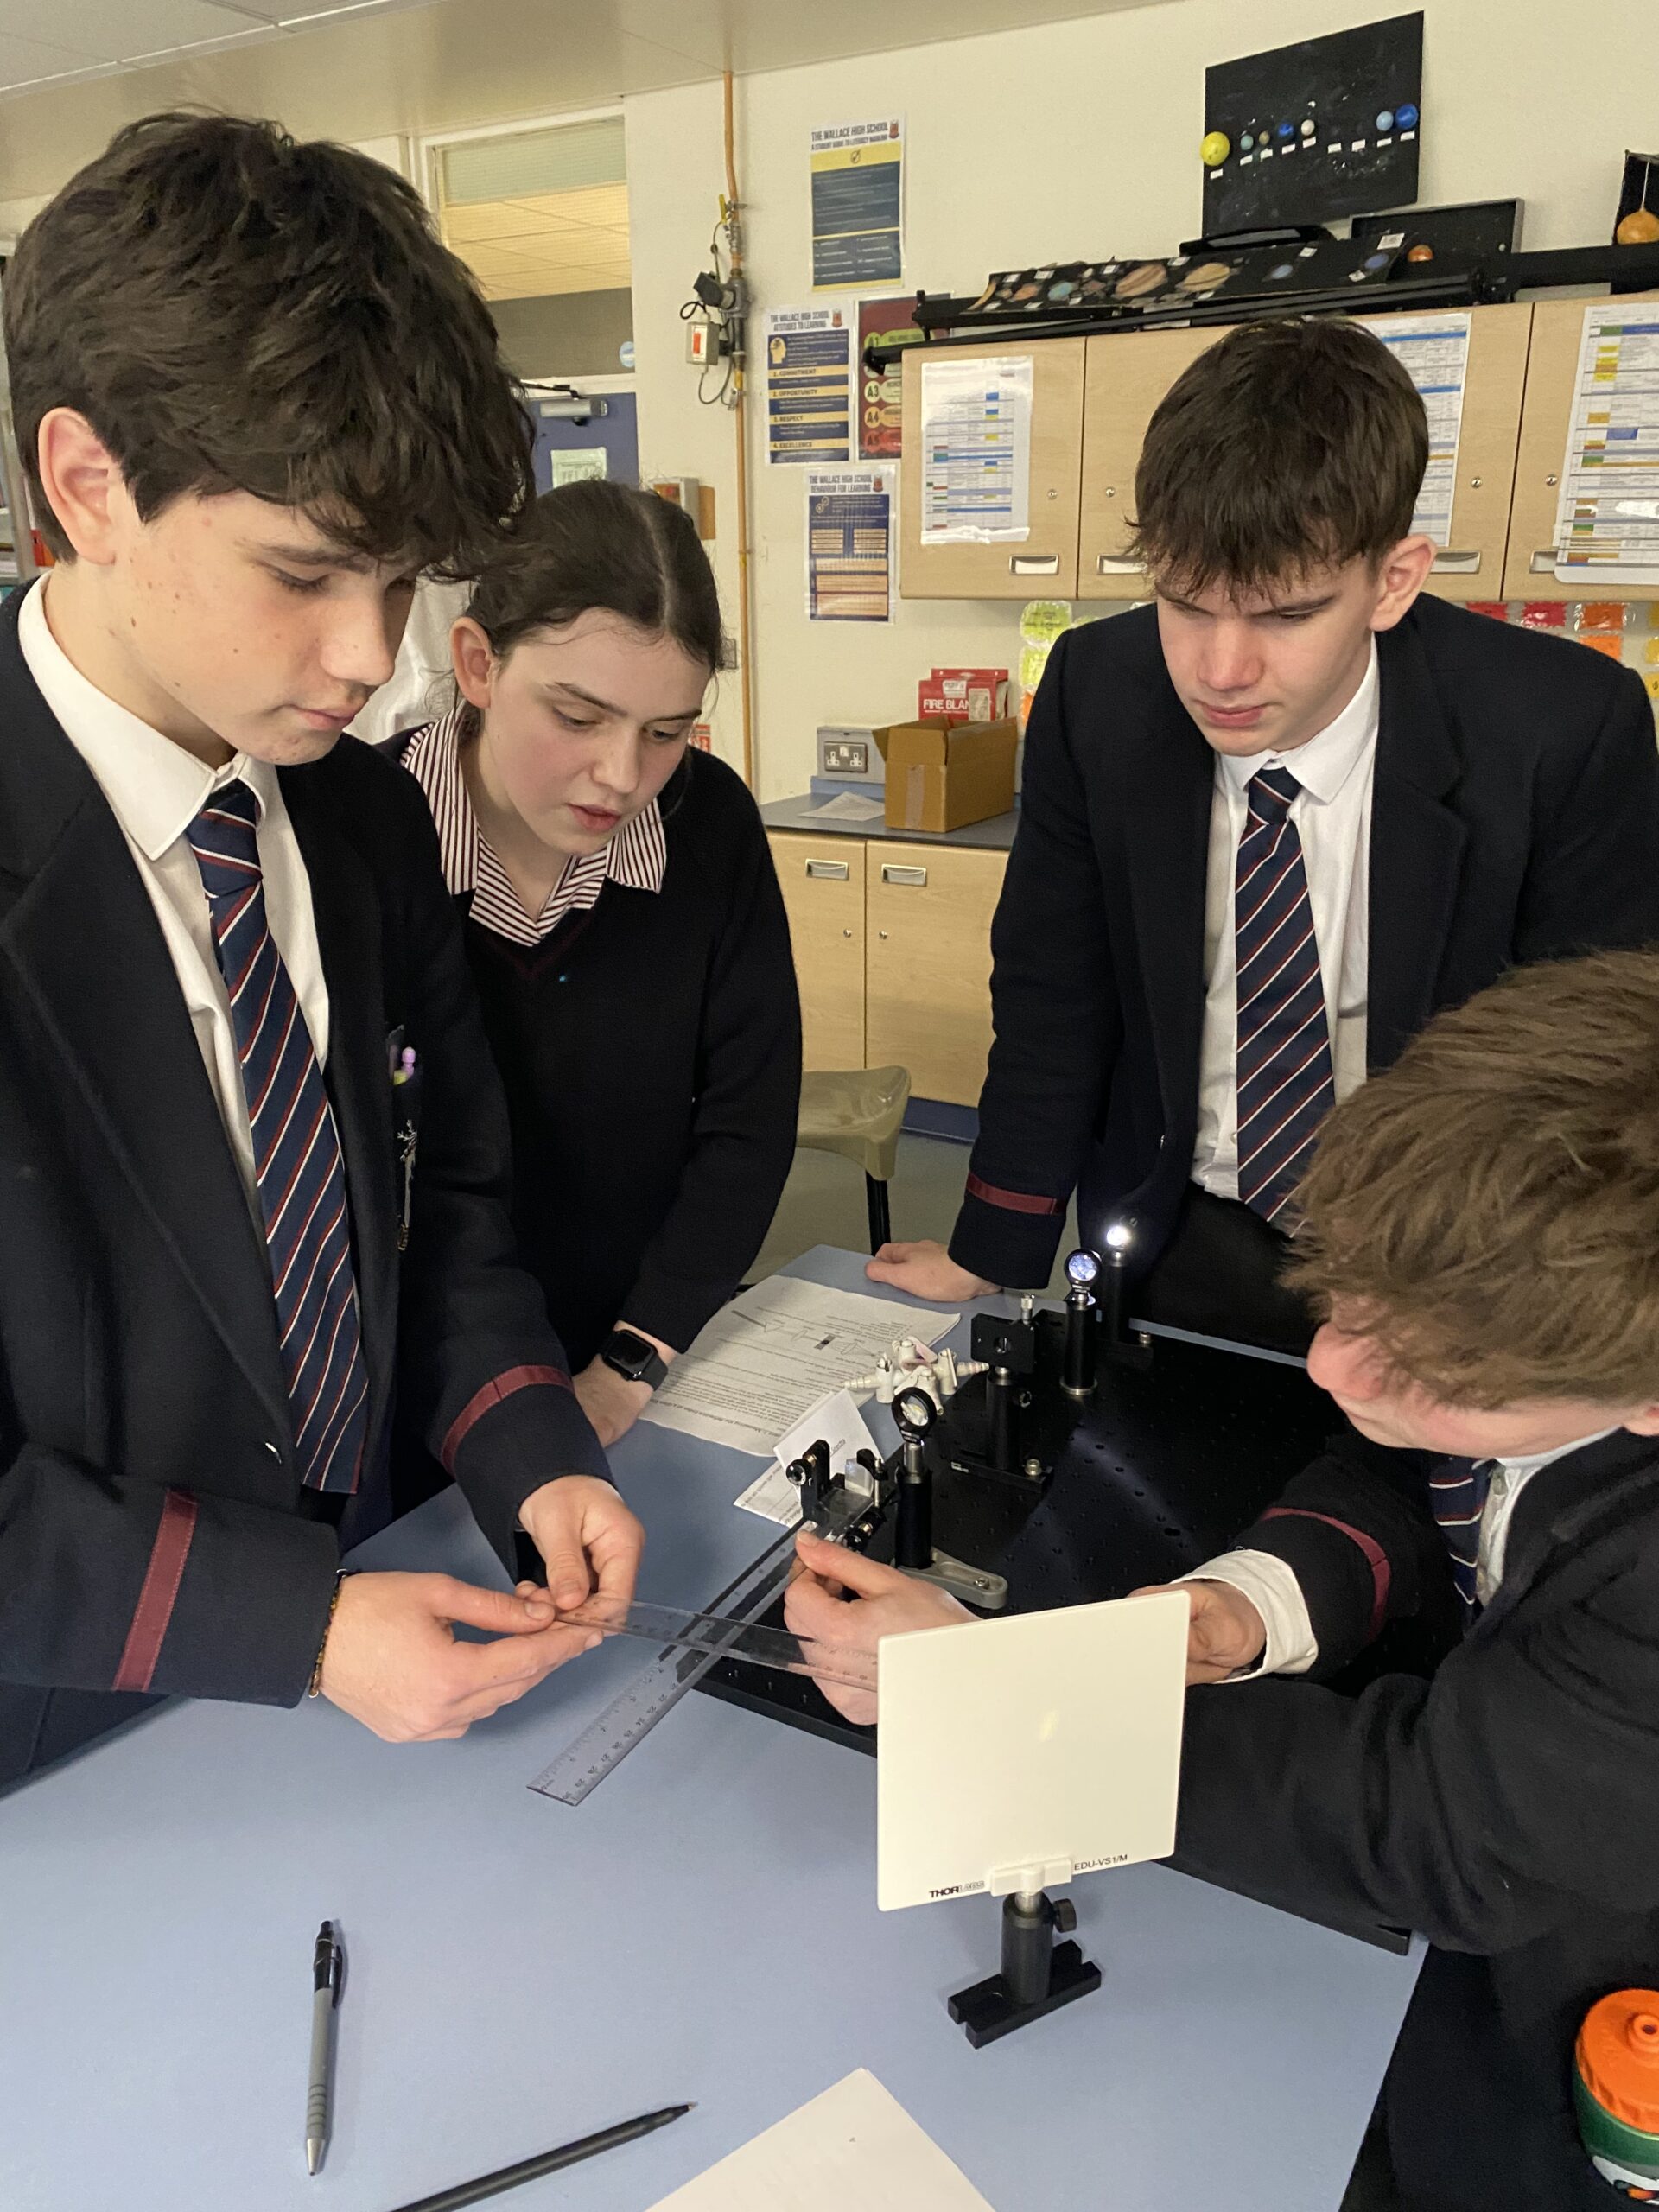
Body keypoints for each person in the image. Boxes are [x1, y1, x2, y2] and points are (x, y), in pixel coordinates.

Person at [787, 948, 1659, 2212]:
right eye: (1348, 1307)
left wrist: (996, 1691)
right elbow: (1428, 1475)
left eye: (1428, 1372)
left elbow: (1433, 1828)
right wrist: (1253, 1603)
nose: (1335, 1371)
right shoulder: (1563, 1353)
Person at [0, 114, 643, 1787]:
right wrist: (291, 1621)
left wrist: (529, 1443)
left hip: (389, 1651)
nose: (371, 654)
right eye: (304, 572)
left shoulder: (355, 818)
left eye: (405, 578)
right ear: (89, 485)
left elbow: (446, 1212)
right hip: (72, 1753)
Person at [868, 316, 1659, 1354]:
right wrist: (995, 1242)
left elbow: (1585, 1076)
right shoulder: (1098, 694)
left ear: (1394, 579)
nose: (1221, 671)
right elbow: (1054, 986)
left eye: (1285, 616)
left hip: (1447, 1246)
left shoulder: (1562, 727)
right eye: (1185, 604)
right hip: (1175, 1218)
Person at [385, 480, 799, 1452]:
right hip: (419, 1372)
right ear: (479, 664)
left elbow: (748, 1121)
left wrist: (630, 1363)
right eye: (577, 717)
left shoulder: (708, 825)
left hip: (640, 1352)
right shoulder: (362, 835)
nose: (622, 776)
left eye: (666, 733)